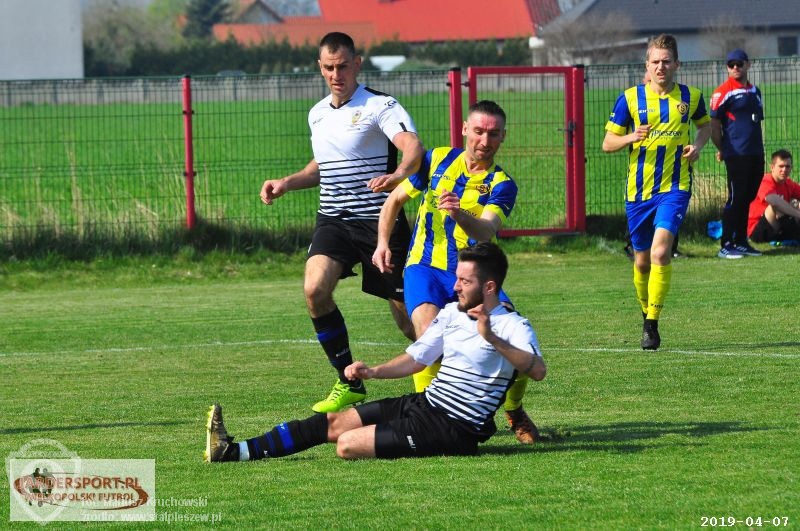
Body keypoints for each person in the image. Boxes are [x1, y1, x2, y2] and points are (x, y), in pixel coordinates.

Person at [204, 242, 547, 462]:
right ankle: (233, 451)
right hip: (425, 404)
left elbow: (537, 370)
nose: (455, 287)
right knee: (334, 423)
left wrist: (493, 339)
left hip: (454, 428)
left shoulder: (513, 326)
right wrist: (373, 371)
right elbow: (417, 358)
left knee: (346, 444)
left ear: (489, 287)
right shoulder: (453, 313)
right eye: (456, 278)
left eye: (464, 282)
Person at [259, 32, 425, 413]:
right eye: (330, 68)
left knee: (410, 319)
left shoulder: (380, 105)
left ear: (358, 64)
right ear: (320, 68)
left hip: (379, 222)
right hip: (333, 220)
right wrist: (287, 183)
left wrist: (399, 174)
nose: (337, 75)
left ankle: (450, 384)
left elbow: (413, 146)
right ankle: (348, 381)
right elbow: (323, 165)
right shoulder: (317, 114)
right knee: (314, 289)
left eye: (344, 66)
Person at [371, 100, 539, 445]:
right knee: (427, 333)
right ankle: (424, 416)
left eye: (493, 134)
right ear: (464, 129)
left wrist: (459, 214)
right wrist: (382, 243)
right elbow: (395, 200)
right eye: (478, 131)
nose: (484, 140)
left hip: (475, 274)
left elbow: (486, 232)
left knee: (516, 343)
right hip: (425, 267)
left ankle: (513, 408)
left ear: (503, 137)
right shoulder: (436, 159)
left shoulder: (502, 184)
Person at [602, 34, 711, 351]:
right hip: (638, 192)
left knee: (661, 252)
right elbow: (607, 143)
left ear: (677, 64)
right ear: (647, 65)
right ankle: (645, 311)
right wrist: (630, 137)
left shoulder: (691, 97)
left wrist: (698, 146)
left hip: (675, 187)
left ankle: (652, 324)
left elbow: (706, 126)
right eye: (655, 62)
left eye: (666, 61)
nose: (660, 67)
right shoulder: (630, 99)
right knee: (641, 262)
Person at [710, 48, 766, 259]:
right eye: (731, 65)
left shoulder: (755, 91)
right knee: (735, 198)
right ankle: (726, 244)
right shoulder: (722, 92)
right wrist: (723, 149)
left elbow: (756, 122)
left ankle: (741, 241)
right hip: (736, 154)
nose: (735, 68)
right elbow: (714, 125)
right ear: (727, 68)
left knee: (747, 197)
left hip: (755, 152)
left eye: (739, 64)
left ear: (747, 65)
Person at [748, 149, 800, 243]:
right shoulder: (765, 181)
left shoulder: (789, 183)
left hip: (778, 227)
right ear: (772, 167)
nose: (784, 170)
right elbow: (774, 201)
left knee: (796, 204)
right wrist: (797, 213)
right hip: (757, 230)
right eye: (781, 166)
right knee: (776, 205)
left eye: (787, 166)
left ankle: (793, 233)